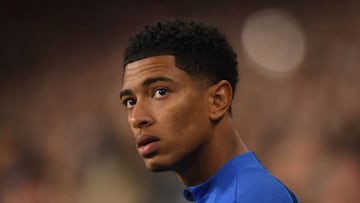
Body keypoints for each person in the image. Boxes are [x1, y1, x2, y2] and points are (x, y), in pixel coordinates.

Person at [120, 18, 299, 203]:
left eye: (160, 92)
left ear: (217, 100)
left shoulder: (249, 197)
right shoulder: (228, 193)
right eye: (130, 101)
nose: (136, 118)